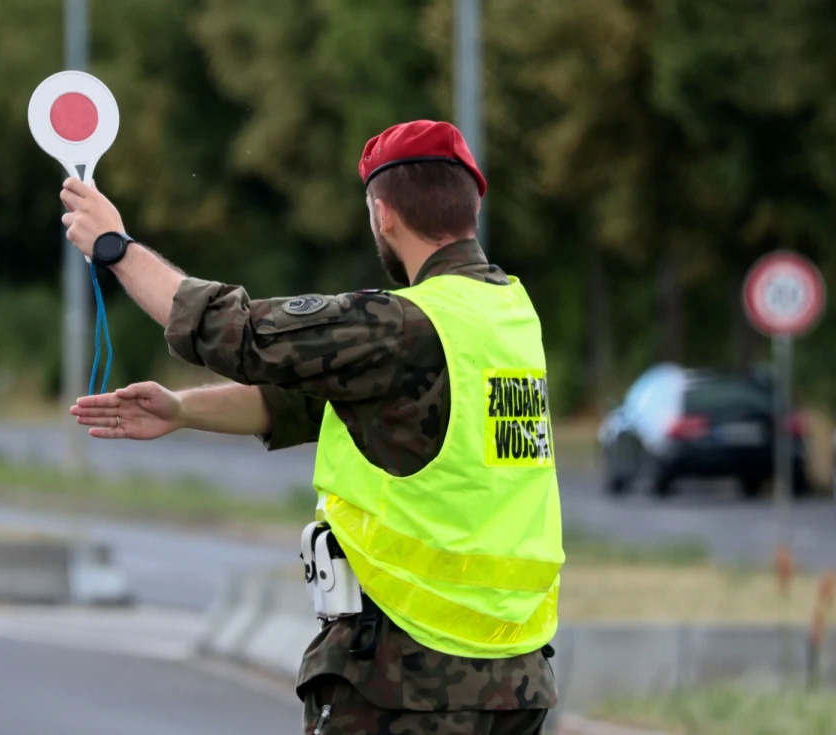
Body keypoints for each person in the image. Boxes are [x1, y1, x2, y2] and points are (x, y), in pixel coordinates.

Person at [61, 119, 562, 734]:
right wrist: (183, 411)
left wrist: (115, 247)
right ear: (472, 211)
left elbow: (234, 332)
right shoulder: (508, 315)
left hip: (410, 681)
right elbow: (308, 403)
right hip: (515, 681)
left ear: (383, 215)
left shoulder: (400, 324)